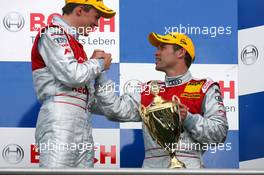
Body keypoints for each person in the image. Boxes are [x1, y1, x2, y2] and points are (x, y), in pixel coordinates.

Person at [94, 32, 229, 168]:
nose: (156, 53)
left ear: (180, 52)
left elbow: (219, 134)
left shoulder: (204, 88)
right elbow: (115, 110)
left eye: (162, 48)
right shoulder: (148, 90)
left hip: (188, 167)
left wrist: (188, 118)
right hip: (152, 168)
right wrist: (100, 74)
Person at [31, 0, 115, 168]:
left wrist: (93, 64)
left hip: (81, 122)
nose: (96, 24)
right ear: (79, 10)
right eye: (96, 17)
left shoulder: (74, 43)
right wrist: (98, 64)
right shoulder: (53, 34)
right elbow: (72, 75)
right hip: (60, 119)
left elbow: (84, 91)